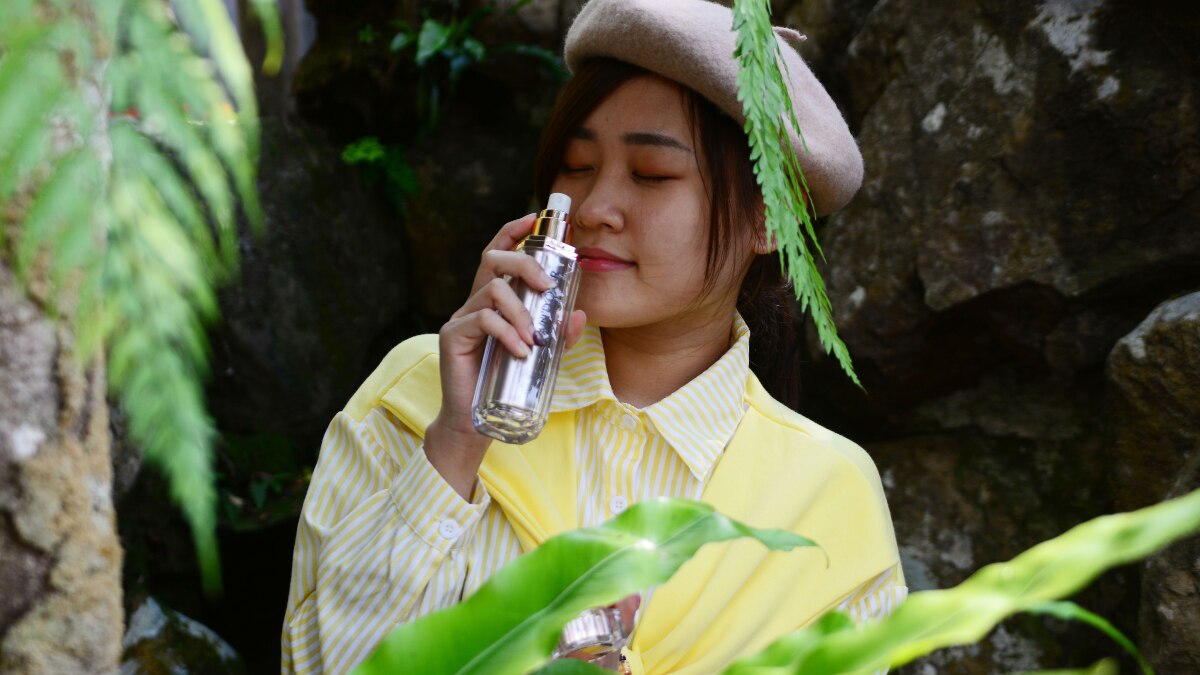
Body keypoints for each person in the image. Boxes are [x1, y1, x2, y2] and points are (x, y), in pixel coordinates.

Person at [281, 0, 905, 673]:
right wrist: (457, 443)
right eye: (575, 166)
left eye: (652, 175)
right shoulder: (418, 392)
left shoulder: (828, 501)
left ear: (767, 219)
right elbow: (315, 664)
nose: (595, 208)